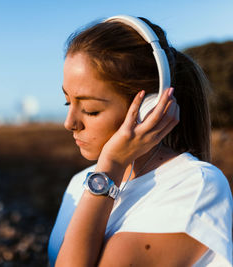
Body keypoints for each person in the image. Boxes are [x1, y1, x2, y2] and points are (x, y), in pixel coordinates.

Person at [48, 15, 233, 266]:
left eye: (90, 109)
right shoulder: (83, 181)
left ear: (150, 107)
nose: (69, 123)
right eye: (68, 102)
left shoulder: (196, 187)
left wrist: (110, 166)